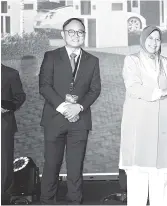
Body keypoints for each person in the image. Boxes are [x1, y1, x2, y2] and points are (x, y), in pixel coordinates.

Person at [39, 18, 101, 204]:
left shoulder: (92, 60)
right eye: (71, 32)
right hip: (54, 119)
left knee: (75, 168)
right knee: (51, 166)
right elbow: (44, 86)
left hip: (79, 121)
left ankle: (75, 201)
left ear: (84, 35)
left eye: (80, 32)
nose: (76, 35)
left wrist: (78, 107)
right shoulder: (51, 56)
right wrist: (65, 108)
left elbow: (95, 90)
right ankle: (47, 201)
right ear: (62, 34)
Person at [119, 25, 167, 206]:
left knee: (161, 177)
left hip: (162, 124)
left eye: (157, 39)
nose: (154, 42)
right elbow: (133, 87)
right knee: (138, 175)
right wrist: (162, 92)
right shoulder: (132, 60)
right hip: (139, 123)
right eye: (150, 38)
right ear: (143, 39)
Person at [1, 64, 26, 204]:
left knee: (3, 161)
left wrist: (6, 107)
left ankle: (2, 194)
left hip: (2, 124)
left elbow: (20, 96)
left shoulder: (11, 73)